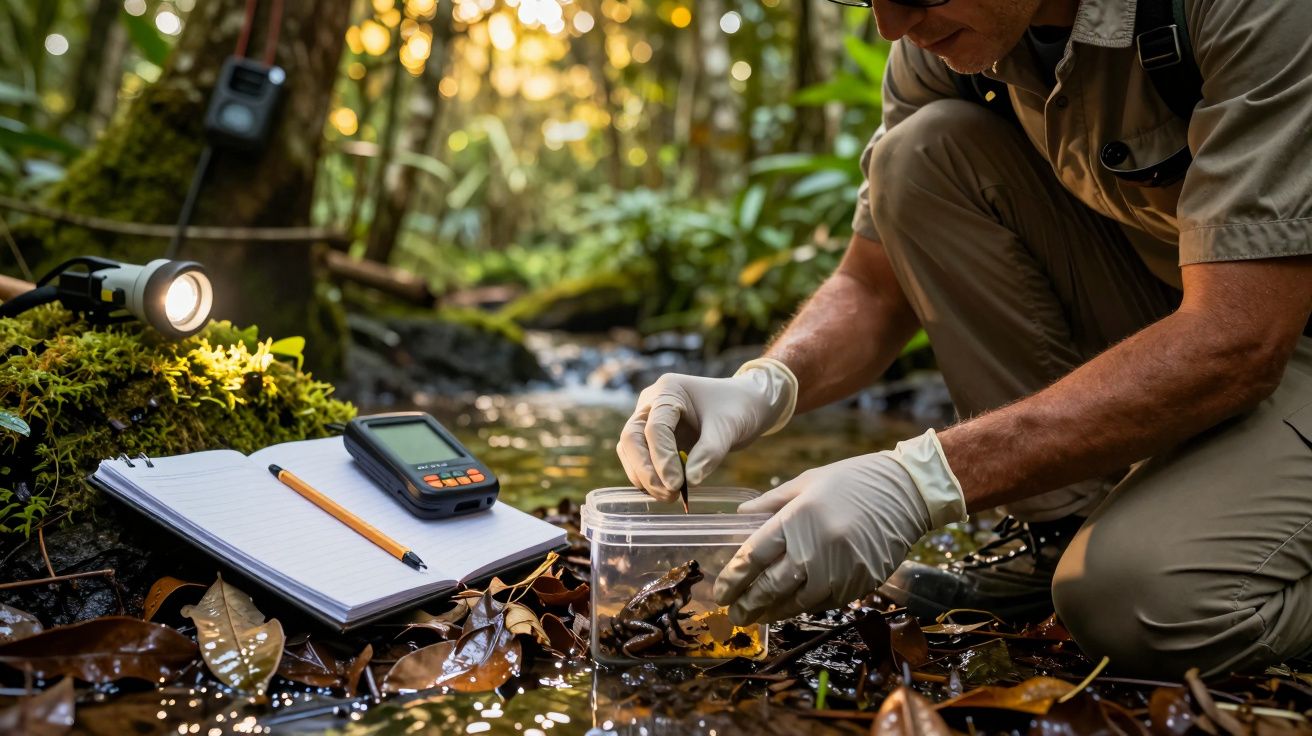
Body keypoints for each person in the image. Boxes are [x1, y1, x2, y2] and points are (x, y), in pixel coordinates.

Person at [616, 0, 1312, 679]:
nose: (891, 25)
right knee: (919, 155)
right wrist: (765, 383)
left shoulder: (1250, 11)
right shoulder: (946, 45)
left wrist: (922, 480)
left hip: (1261, 327)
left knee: (1142, 603)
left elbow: (1237, 339)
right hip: (1195, 310)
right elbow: (872, 285)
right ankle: (1060, 531)